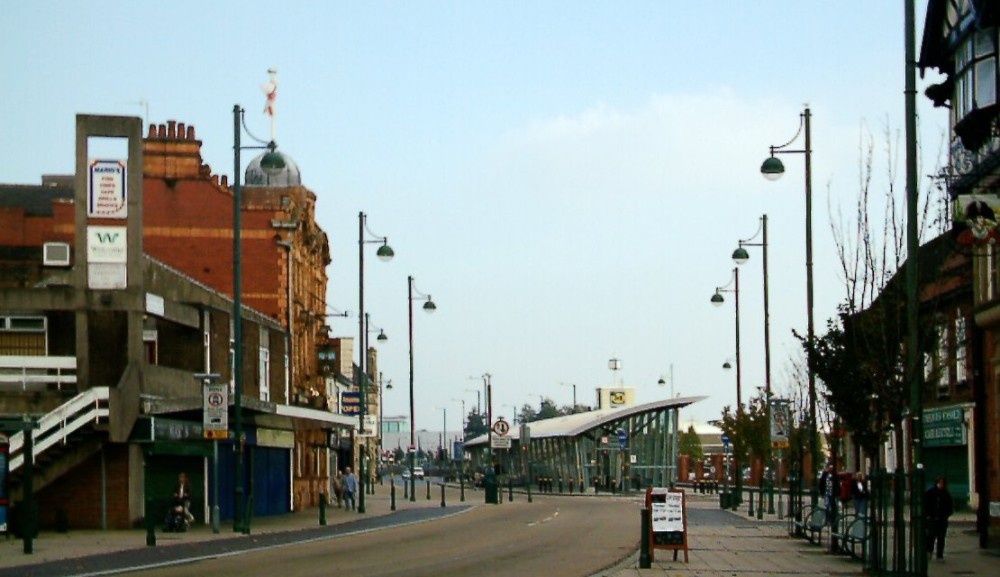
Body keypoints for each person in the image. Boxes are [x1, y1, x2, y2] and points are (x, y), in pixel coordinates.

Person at [925, 476, 954, 559]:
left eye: (942, 483)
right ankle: (929, 552)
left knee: (941, 537)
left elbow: (950, 507)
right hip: (932, 519)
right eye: (939, 483)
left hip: (942, 519)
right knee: (931, 536)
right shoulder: (930, 493)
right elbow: (926, 504)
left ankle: (939, 554)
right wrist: (928, 515)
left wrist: (945, 515)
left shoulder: (946, 494)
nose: (941, 485)